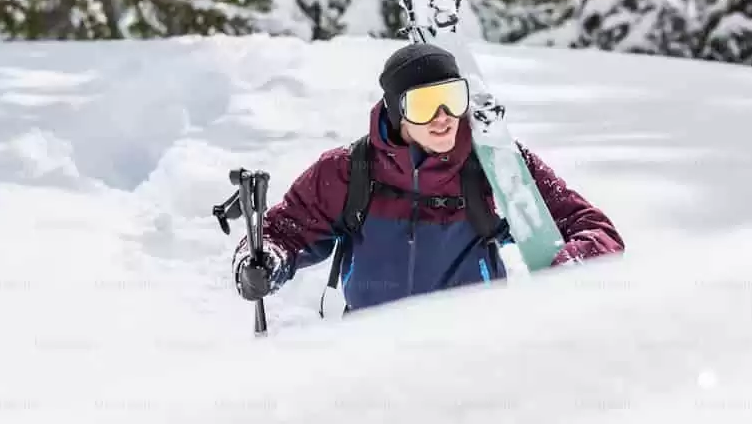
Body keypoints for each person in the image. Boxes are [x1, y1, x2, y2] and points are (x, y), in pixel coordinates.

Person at [231, 42, 624, 313]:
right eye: (423, 104)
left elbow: (593, 228)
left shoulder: (495, 165)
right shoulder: (349, 170)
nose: (442, 116)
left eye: (452, 98)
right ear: (396, 112)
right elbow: (281, 231)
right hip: (366, 351)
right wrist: (263, 263)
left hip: (471, 352)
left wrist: (573, 263)